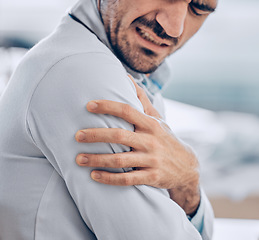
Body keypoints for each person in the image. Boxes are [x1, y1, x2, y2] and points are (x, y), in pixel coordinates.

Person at [0, 0, 217, 239]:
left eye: (199, 9)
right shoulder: (82, 71)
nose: (174, 28)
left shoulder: (126, 75)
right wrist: (188, 174)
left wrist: (187, 180)